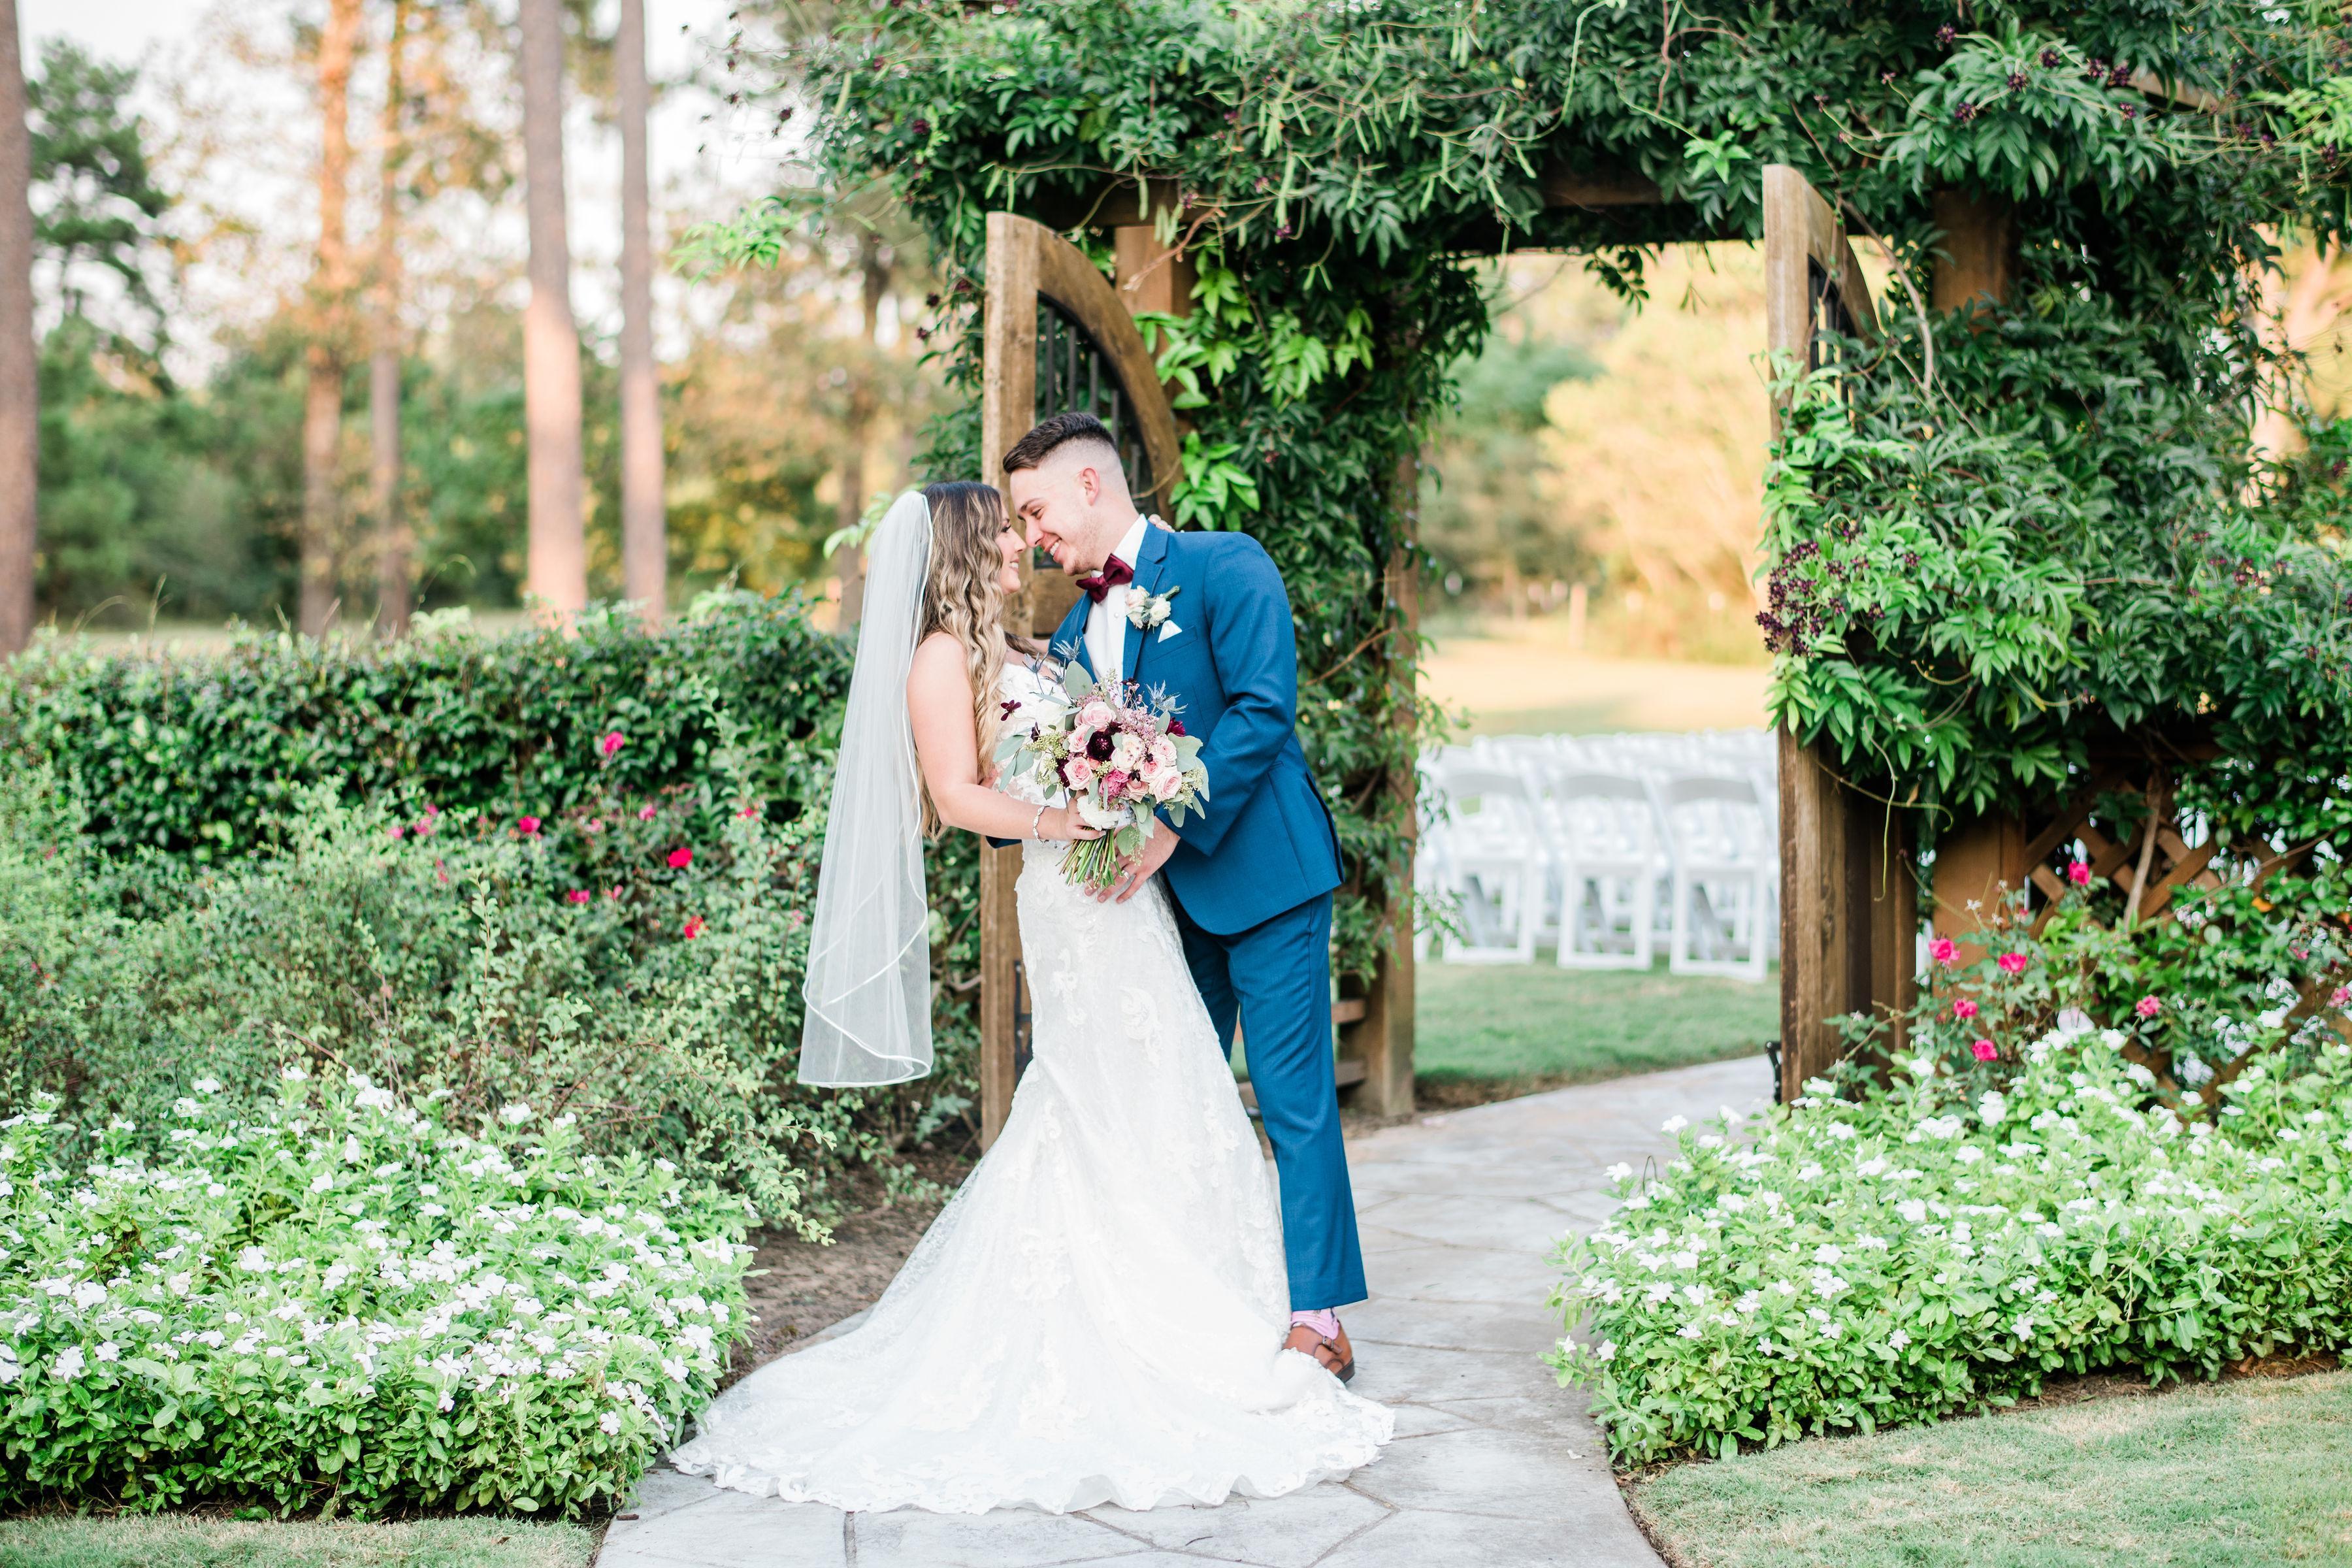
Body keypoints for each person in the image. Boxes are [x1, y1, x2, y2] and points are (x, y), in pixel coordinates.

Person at [666, 480, 1390, 1514]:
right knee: (1095, 1098)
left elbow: (1165, 731)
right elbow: (956, 794)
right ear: (967, 546)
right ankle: (1131, 1313)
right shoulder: (938, 658)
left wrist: (1128, 786)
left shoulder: (1033, 644)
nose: (1023, 543)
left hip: (1130, 897)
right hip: (1075, 892)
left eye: (1031, 522)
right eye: (1006, 531)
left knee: (1165, 1091)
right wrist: (1068, 825)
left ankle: (1213, 1297)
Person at [1009, 413, 1366, 1382]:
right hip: (1161, 909)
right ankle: (1203, 1305)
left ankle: (1318, 1317)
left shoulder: (1224, 564)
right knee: (1181, 1102)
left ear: (1089, 484)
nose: (1035, 534)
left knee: (1293, 1104)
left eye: (1037, 510)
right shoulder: (1075, 631)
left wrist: (1171, 823)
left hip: (1270, 877)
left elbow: (1263, 707)